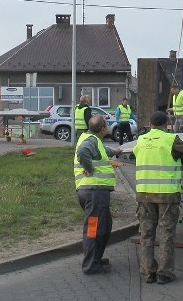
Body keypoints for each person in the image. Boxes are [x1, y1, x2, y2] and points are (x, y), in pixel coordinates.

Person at [133, 111, 183, 284]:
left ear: (150, 123)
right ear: (166, 124)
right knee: (166, 233)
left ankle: (147, 272)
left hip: (144, 194)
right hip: (166, 195)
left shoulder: (141, 140)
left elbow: (136, 154)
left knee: (146, 234)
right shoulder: (171, 140)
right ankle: (164, 273)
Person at [73, 114, 119, 275]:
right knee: (93, 229)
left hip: (95, 192)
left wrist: (116, 151)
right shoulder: (90, 141)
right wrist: (89, 168)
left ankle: (96, 258)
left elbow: (102, 152)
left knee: (105, 226)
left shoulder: (92, 138)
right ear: (103, 129)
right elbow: (83, 151)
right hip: (94, 192)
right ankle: (90, 265)